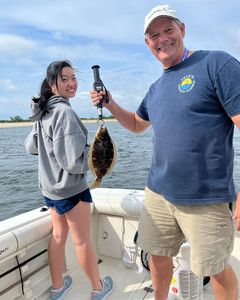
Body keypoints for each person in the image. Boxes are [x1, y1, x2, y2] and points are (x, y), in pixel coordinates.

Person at [90, 4, 240, 300]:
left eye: (168, 29)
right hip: (158, 192)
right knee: (157, 255)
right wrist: (110, 103)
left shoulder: (216, 63)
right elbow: (136, 124)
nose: (162, 39)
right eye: (154, 35)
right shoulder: (156, 88)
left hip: (206, 197)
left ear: (182, 29)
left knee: (215, 267)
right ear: (148, 43)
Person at [25, 60, 113, 300]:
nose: (72, 83)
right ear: (52, 83)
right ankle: (98, 289)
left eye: (73, 78)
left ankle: (57, 287)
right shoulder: (64, 112)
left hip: (51, 190)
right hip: (71, 190)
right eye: (65, 79)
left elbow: (31, 147)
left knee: (57, 236)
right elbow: (74, 162)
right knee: (82, 241)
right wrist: (97, 156)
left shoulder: (43, 112)